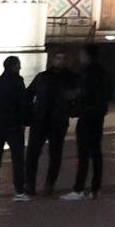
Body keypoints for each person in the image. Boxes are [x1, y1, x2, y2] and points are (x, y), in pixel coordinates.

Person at [25, 51, 78, 199]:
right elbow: (29, 94)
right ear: (53, 60)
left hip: (58, 120)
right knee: (32, 153)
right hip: (40, 119)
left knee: (55, 154)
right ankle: (29, 184)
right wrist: (30, 113)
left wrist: (70, 109)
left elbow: (77, 97)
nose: (61, 61)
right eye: (58, 58)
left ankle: (49, 185)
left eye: (64, 59)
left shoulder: (71, 78)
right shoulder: (43, 77)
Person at [65, 43, 112, 199]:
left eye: (81, 54)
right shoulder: (103, 72)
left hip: (87, 116)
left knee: (83, 154)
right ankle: (95, 189)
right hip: (98, 116)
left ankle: (78, 189)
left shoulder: (87, 74)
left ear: (87, 55)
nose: (80, 57)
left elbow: (85, 96)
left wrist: (74, 105)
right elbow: (108, 93)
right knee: (96, 153)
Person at [0, 56, 31, 198]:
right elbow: (23, 103)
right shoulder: (17, 82)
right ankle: (19, 191)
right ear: (15, 66)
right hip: (13, 125)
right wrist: (24, 121)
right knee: (17, 158)